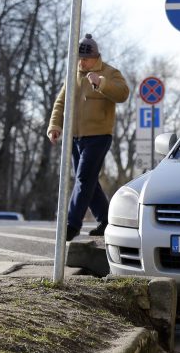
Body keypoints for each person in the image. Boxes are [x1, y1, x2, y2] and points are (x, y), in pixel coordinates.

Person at [47, 33, 129, 239]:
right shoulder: (73, 75)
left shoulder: (109, 72)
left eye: (85, 59)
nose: (81, 62)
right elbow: (60, 103)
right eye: (79, 59)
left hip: (99, 136)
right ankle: (106, 219)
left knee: (83, 178)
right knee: (88, 180)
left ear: (95, 57)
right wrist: (55, 125)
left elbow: (123, 93)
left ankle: (71, 224)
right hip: (74, 138)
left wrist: (101, 83)